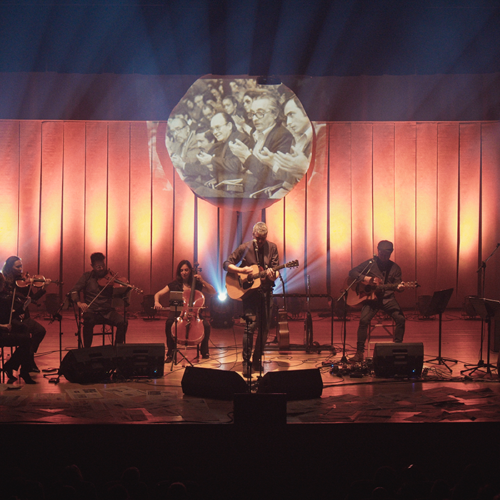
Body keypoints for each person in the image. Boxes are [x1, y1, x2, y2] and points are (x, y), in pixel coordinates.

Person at [223, 222, 279, 375]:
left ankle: (256, 360)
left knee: (265, 329)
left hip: (266, 292)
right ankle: (245, 362)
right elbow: (226, 264)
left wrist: (273, 275)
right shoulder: (245, 247)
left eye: (263, 239)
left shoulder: (272, 248)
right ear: (253, 236)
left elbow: (276, 269)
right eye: (258, 238)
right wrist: (241, 269)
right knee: (250, 327)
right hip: (249, 294)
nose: (260, 242)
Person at [348, 240, 406, 363]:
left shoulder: (395, 268)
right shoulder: (370, 264)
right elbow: (352, 272)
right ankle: (359, 353)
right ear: (377, 251)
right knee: (363, 321)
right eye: (381, 254)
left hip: (388, 299)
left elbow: (398, 286)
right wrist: (366, 278)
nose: (383, 257)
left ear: (390, 254)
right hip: (372, 300)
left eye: (386, 255)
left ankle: (396, 348)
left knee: (401, 319)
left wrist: (400, 288)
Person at [229, 92, 294, 196]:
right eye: (252, 114)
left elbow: (273, 178)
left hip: (261, 194)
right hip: (246, 186)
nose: (254, 119)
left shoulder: (282, 135)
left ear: (275, 114)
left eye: (260, 113)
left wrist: (246, 156)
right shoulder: (256, 132)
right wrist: (241, 157)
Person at [154, 260, 215, 362]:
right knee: (169, 322)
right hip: (178, 312)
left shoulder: (197, 284)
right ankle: (170, 352)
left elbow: (213, 292)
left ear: (190, 271)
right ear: (179, 272)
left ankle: (204, 351)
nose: (184, 272)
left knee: (207, 325)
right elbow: (158, 294)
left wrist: (203, 281)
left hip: (195, 313)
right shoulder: (174, 284)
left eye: (186, 270)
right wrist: (157, 302)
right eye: (182, 270)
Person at [70, 252, 129, 349]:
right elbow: (74, 290)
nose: (101, 268)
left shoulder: (111, 276)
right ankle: (87, 350)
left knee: (123, 322)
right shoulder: (87, 277)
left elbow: (120, 293)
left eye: (103, 265)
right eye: (98, 266)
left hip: (108, 311)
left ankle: (118, 348)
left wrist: (124, 290)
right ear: (92, 266)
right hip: (91, 311)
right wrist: (79, 303)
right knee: (88, 322)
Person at [1, 255, 48, 372]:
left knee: (40, 331)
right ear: (10, 267)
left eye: (21, 266)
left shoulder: (23, 282)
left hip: (24, 316)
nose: (21, 269)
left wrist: (43, 289)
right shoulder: (4, 282)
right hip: (12, 318)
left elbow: (33, 299)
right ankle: (28, 362)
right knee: (25, 333)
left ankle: (25, 358)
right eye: (18, 267)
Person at [0, 271, 36, 384]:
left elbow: (8, 316)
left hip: (4, 329)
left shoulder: (3, 298)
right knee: (26, 340)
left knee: (25, 329)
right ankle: (21, 370)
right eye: (2, 284)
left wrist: (22, 308)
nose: (4, 287)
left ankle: (12, 366)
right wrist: (2, 326)